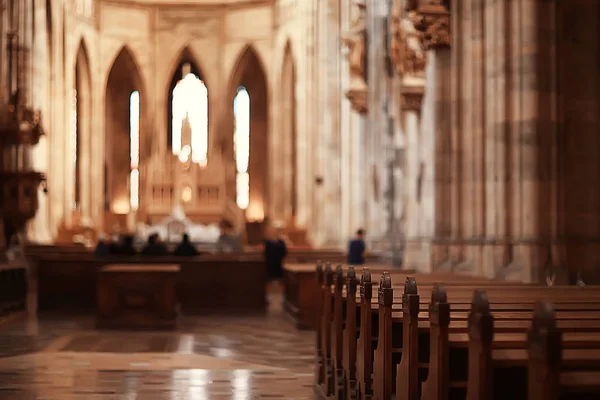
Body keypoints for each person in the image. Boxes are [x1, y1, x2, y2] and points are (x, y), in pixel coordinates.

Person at [263, 225, 288, 290]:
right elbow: (266, 253)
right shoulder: (267, 243)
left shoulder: (281, 242)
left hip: (279, 263)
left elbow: (284, 252)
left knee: (279, 278)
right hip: (270, 264)